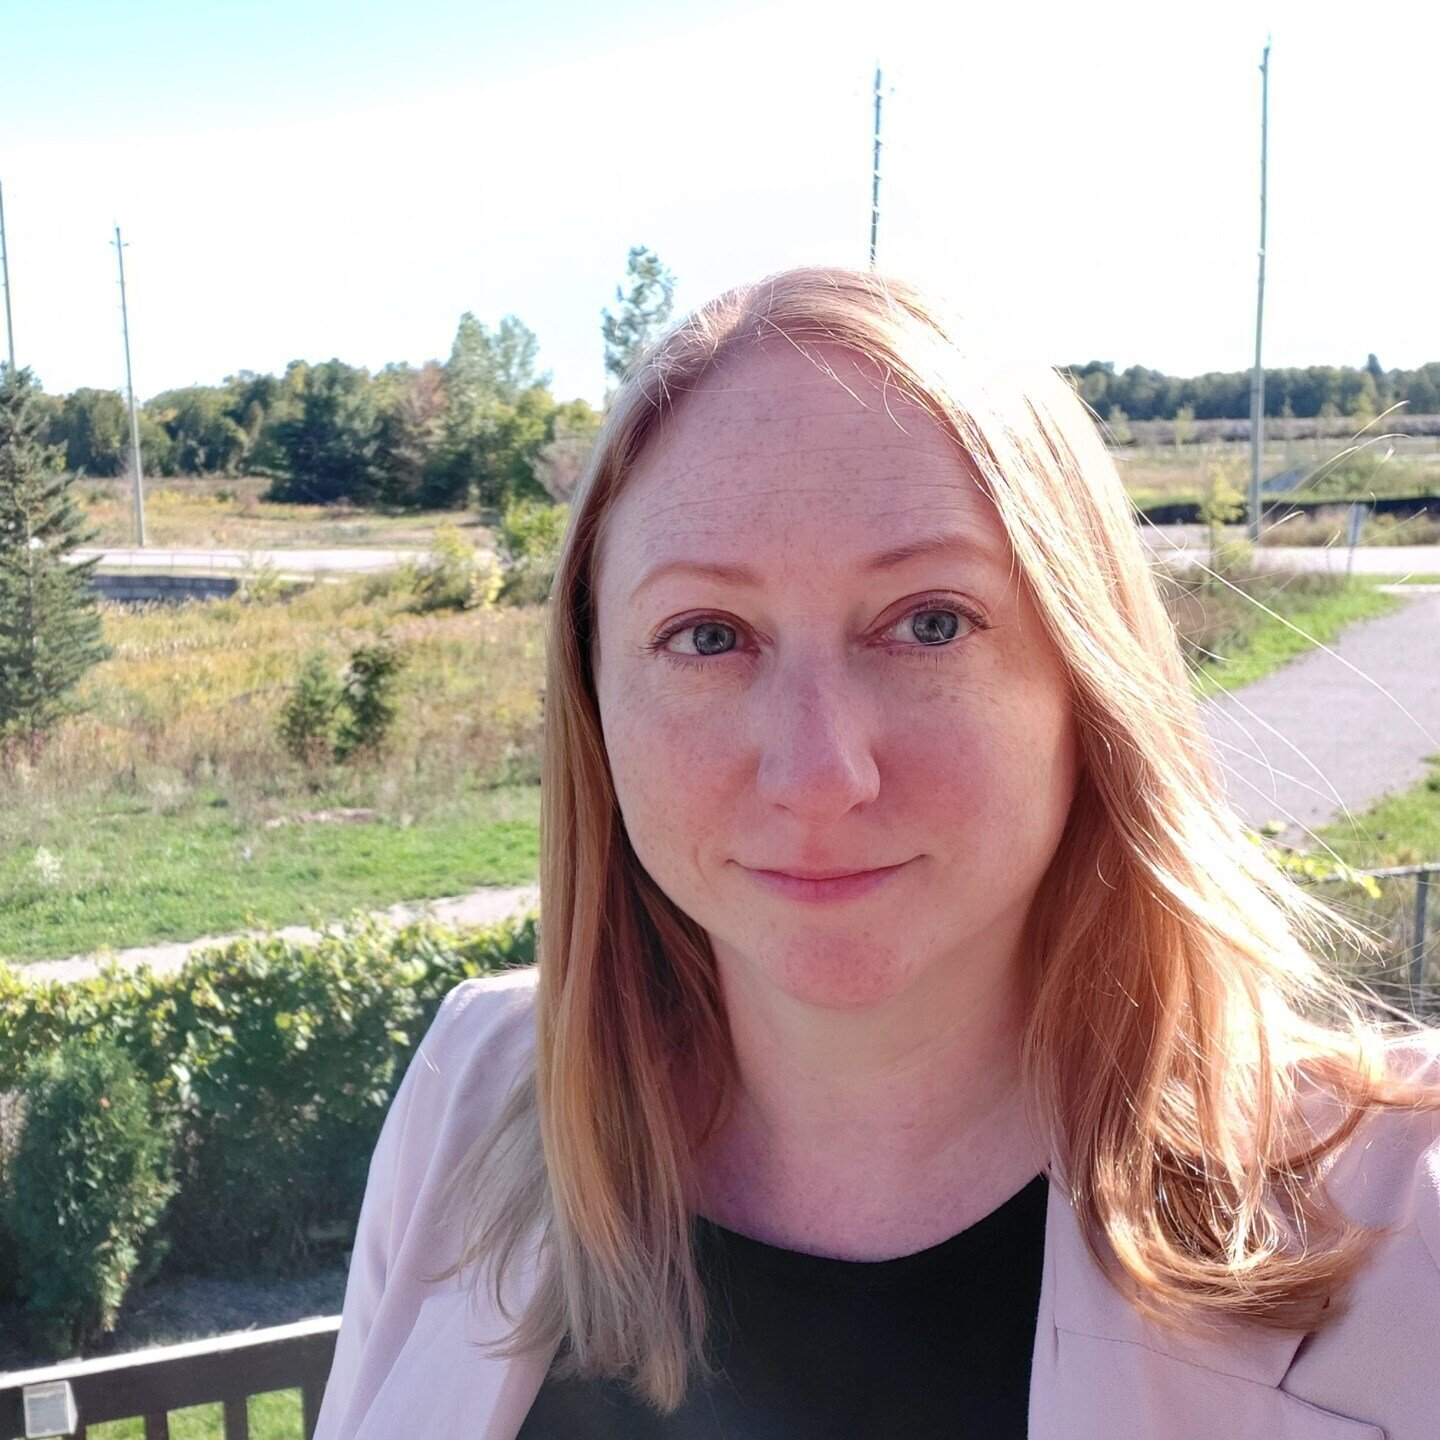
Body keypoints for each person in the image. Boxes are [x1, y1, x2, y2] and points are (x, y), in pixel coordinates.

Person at [312, 267, 1440, 1440]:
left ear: (1090, 679)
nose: (818, 772)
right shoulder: (475, 1094)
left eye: (930, 623)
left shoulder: (1409, 1219)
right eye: (707, 636)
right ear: (595, 704)